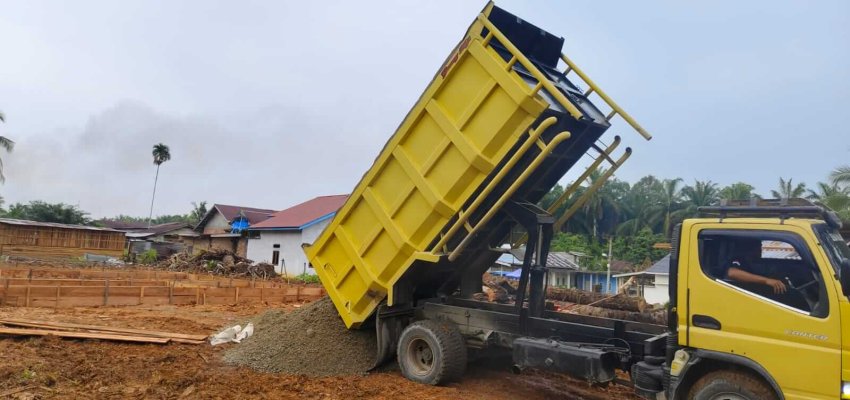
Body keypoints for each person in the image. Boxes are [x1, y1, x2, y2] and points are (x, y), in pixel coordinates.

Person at [717, 240, 787, 294]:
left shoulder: (753, 263)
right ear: (750, 249)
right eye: (758, 247)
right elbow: (732, 273)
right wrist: (767, 280)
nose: (760, 250)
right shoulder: (739, 259)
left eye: (760, 246)